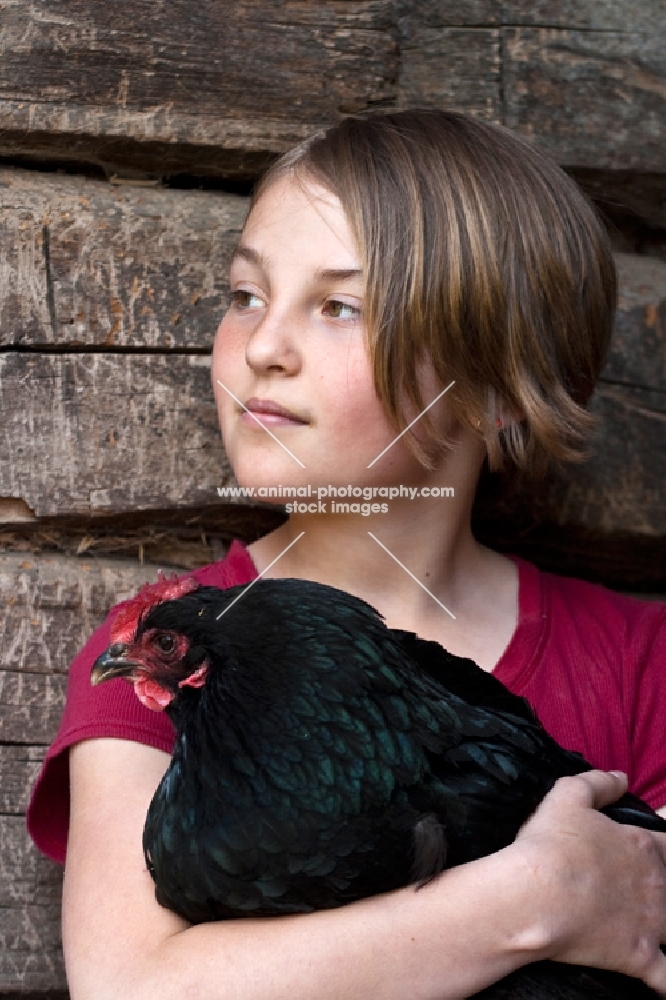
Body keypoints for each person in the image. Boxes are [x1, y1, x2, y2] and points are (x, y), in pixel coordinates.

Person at [27, 110, 666, 1000]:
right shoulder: (171, 652)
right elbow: (134, 987)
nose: (262, 348)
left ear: (493, 388)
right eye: (246, 295)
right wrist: (533, 898)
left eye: (340, 306)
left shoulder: (639, 661)